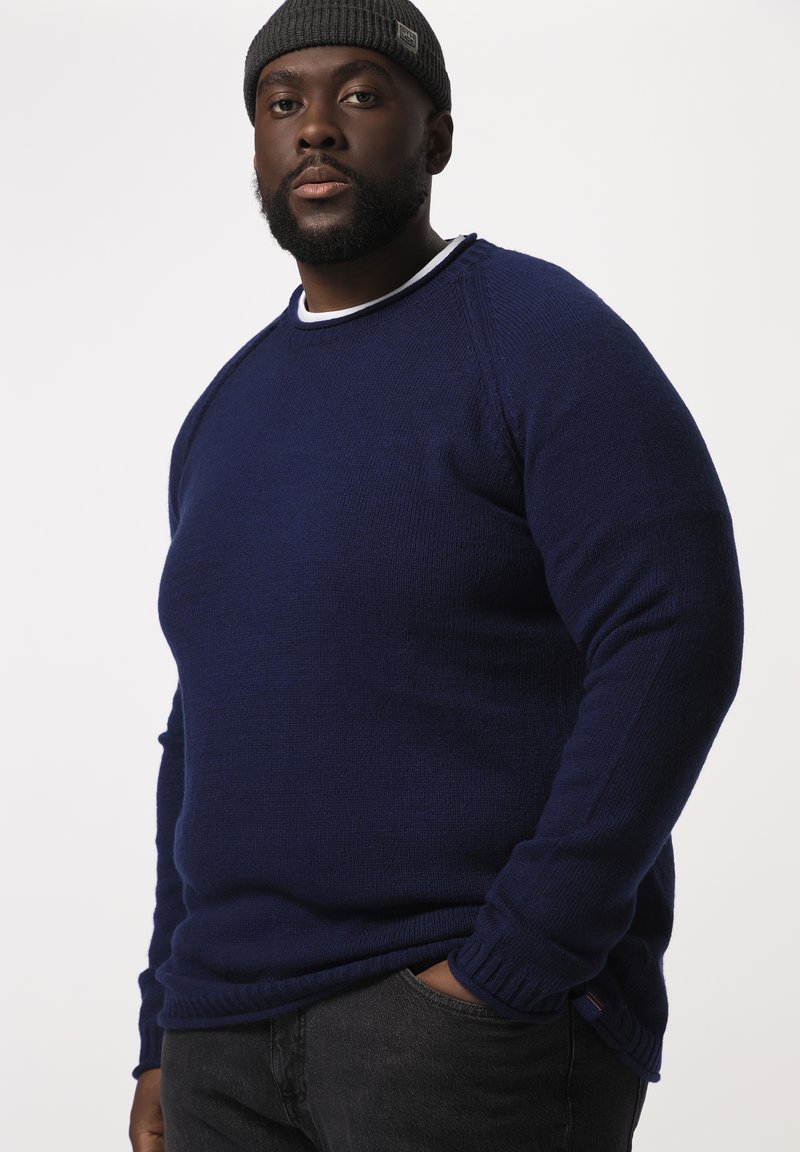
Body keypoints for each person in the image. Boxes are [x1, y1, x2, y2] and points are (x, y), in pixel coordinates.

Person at [128, 1, 744, 1149]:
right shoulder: (223, 412)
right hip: (220, 1042)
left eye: (359, 95)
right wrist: (164, 1021)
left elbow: (672, 630)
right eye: (281, 103)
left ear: (437, 136)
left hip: (450, 1026)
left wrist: (516, 959)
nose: (315, 127)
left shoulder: (535, 336)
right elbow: (197, 732)